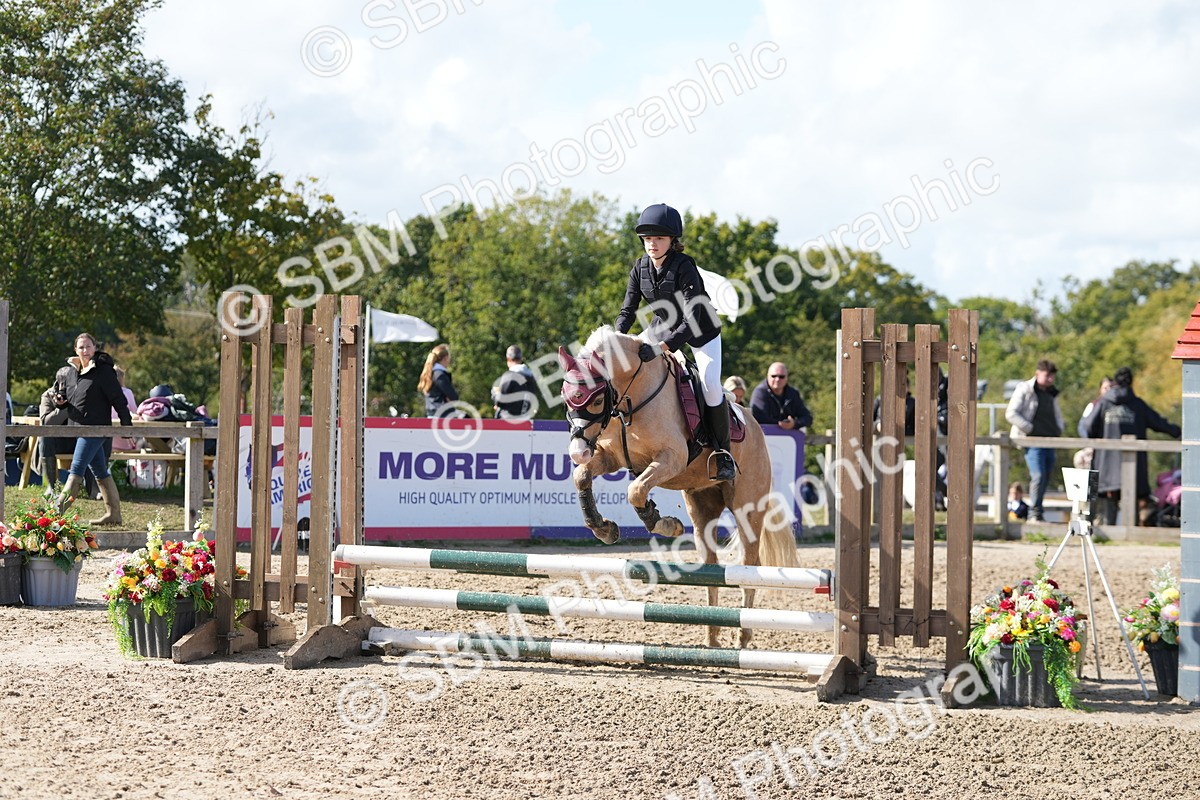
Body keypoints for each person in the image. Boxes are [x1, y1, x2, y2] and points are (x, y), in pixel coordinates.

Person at [614, 203, 735, 481]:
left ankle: (722, 453)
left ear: (672, 241)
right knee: (626, 367)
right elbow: (627, 311)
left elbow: (693, 315)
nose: (652, 244)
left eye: (658, 238)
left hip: (701, 332)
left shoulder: (684, 266)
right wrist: (616, 340)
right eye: (647, 239)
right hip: (662, 327)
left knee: (711, 386)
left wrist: (663, 348)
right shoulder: (640, 267)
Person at [1082, 366, 1181, 525]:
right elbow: (1158, 423)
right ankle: (1131, 532)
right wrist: (1178, 432)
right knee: (1132, 495)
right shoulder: (1137, 404)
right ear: (1131, 383)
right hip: (1133, 466)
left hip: (1107, 463)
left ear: (1115, 382)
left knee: (1110, 496)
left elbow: (1088, 427)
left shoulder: (1104, 402)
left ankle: (1109, 531)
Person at [54, 332, 133, 525]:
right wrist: (60, 402)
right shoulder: (71, 372)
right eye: (81, 347)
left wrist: (126, 425)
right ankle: (114, 515)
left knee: (76, 468)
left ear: (95, 348)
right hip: (77, 428)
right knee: (100, 470)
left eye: (88, 346)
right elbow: (70, 399)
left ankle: (55, 514)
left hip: (96, 429)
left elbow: (118, 399)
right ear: (75, 350)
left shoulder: (104, 371)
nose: (85, 351)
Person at [1005, 359, 1063, 522]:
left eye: (1052, 376)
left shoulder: (1052, 392)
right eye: (1047, 375)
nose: (1050, 379)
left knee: (1046, 476)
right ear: (1038, 374)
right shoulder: (1025, 389)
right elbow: (1011, 413)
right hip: (1032, 440)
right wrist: (1029, 428)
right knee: (1038, 475)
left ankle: (1038, 511)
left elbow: (1057, 415)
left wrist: (1059, 428)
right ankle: (1034, 513)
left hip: (1050, 440)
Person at [750, 362, 813, 432]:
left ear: (787, 378)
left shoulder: (793, 394)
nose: (777, 379)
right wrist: (781, 424)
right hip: (765, 436)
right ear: (767, 376)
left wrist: (794, 423)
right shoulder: (760, 392)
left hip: (788, 439)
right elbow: (758, 417)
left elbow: (807, 418)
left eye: (781, 377)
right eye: (773, 376)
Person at [1073, 376, 1113, 470]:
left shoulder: (1117, 407)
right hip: (1093, 447)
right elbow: (1082, 426)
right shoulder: (1093, 405)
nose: (1108, 390)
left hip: (1110, 448)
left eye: (1111, 387)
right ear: (1100, 390)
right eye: (1105, 388)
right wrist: (1089, 443)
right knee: (1080, 459)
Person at [491, 345, 537, 420]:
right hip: (525, 421)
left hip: (508, 423)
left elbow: (500, 401)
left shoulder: (509, 376)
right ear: (520, 359)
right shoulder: (531, 377)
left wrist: (495, 393)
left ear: (508, 359)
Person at [417, 343, 459, 418]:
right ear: (445, 358)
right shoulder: (440, 375)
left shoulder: (430, 373)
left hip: (431, 414)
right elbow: (453, 397)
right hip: (442, 415)